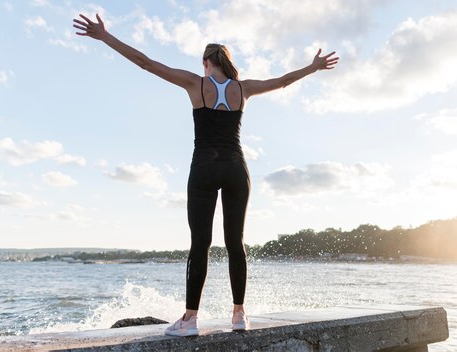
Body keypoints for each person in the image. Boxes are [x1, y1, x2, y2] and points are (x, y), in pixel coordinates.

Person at [73, 13, 339, 336]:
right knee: (235, 242)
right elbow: (281, 82)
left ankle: (189, 320)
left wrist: (106, 37)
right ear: (226, 62)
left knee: (200, 243)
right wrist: (312, 67)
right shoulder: (243, 89)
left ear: (206, 62)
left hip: (204, 167)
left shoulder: (197, 85)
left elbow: (146, 63)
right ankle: (239, 314)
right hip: (236, 169)